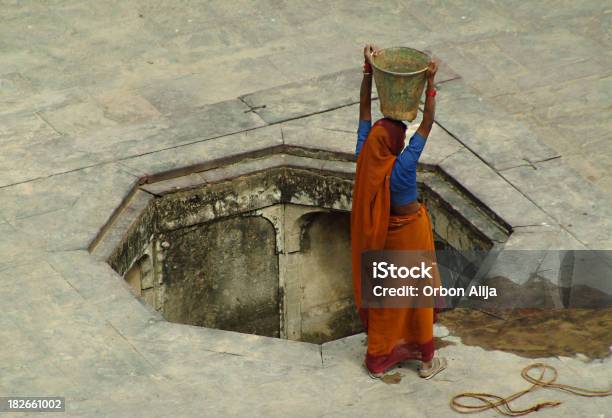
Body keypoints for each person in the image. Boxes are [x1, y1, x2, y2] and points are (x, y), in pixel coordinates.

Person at [351, 44, 447, 379]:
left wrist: (367, 72)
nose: (403, 143)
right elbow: (427, 123)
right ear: (395, 144)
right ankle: (426, 361)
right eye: (401, 140)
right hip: (409, 234)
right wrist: (431, 84)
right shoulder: (403, 165)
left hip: (383, 237)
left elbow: (364, 112)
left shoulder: (366, 153)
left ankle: (380, 358)